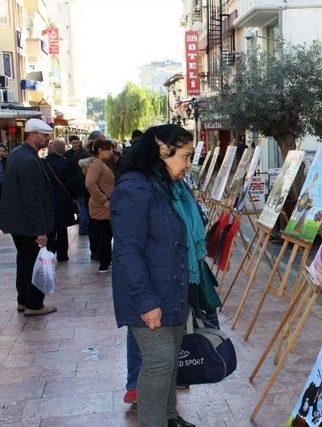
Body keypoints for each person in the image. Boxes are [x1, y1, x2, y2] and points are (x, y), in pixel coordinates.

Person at [111, 124, 198, 427]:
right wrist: (147, 302)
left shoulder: (160, 185)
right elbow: (127, 252)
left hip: (170, 291)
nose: (188, 165)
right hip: (148, 296)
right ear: (163, 150)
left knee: (171, 359)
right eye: (185, 156)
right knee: (159, 363)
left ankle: (169, 417)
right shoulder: (134, 189)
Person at [0, 118, 56, 316]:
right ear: (33, 135)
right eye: (44, 135)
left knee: (24, 262)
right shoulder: (29, 160)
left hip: (18, 223)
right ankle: (34, 304)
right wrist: (41, 230)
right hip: (28, 224)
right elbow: (33, 198)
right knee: (34, 263)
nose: (48, 139)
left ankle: (23, 301)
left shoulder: (17, 154)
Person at [85, 139, 115, 272]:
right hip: (101, 207)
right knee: (104, 236)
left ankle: (106, 261)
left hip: (104, 206)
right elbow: (90, 184)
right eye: (108, 149)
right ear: (100, 150)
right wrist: (104, 200)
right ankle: (104, 263)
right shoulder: (97, 164)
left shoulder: (102, 163)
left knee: (106, 236)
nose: (111, 152)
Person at [44, 138, 76, 262]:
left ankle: (50, 251)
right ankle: (63, 255)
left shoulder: (43, 162)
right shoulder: (66, 163)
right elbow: (71, 183)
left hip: (47, 200)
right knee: (62, 229)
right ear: (62, 149)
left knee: (50, 228)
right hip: (63, 200)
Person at [78, 131, 106, 258]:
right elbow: (90, 183)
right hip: (94, 197)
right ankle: (97, 251)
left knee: (95, 226)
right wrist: (103, 198)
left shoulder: (96, 158)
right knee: (96, 226)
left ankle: (97, 250)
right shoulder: (93, 160)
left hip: (90, 197)